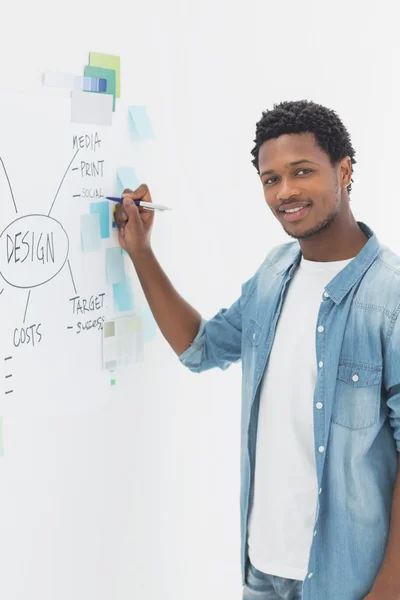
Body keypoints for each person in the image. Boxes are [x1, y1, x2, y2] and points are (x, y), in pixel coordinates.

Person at [114, 100, 400, 600]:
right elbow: (200, 347)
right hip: (261, 572)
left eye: (302, 172)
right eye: (271, 179)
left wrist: (391, 586)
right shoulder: (273, 274)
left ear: (344, 170)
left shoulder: (390, 298)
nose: (285, 192)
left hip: (347, 581)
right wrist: (141, 252)